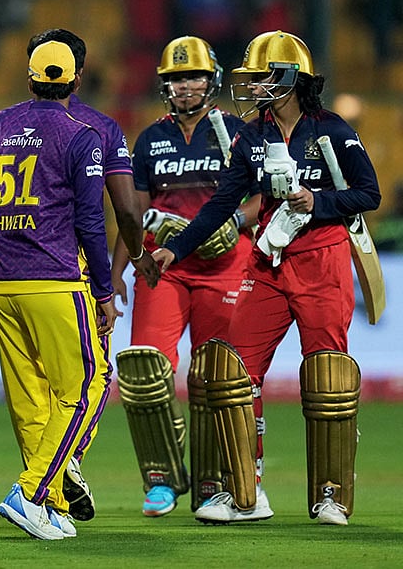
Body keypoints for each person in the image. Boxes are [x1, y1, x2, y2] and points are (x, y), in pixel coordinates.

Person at [153, 31, 381, 526]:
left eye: (261, 78)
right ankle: (244, 494)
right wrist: (177, 247)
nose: (253, 87)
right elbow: (222, 203)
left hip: (323, 260)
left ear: (289, 78)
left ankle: (331, 495)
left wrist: (318, 203)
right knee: (235, 374)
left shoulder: (334, 130)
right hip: (268, 263)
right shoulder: (251, 135)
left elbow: (369, 193)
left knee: (327, 377)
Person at [0, 39, 116, 540]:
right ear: (76, 81)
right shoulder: (82, 136)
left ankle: (53, 505)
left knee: (29, 402)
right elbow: (89, 218)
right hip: (55, 277)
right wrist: (104, 290)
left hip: (1, 280)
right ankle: (31, 491)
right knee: (87, 387)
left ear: (30, 79)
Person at [110, 35, 260, 518]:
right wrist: (115, 274)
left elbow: (263, 198)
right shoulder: (151, 138)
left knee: (215, 376)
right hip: (162, 268)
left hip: (227, 264)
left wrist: (237, 223)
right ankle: (161, 478)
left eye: (192, 76)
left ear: (211, 79)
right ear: (164, 86)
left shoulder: (239, 132)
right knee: (143, 369)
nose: (184, 86)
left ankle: (214, 479)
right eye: (175, 79)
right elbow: (134, 212)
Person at [21, 28, 159, 521]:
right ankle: (62, 466)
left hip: (13, 266)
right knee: (92, 378)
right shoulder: (100, 129)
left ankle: (48, 485)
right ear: (78, 74)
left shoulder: (8, 124)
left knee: (37, 386)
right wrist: (125, 265)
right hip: (71, 270)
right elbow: (120, 208)